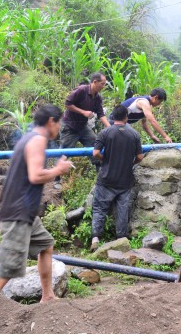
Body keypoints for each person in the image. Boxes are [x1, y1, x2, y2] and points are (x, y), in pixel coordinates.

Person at [0, 105, 73, 334]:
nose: (59, 127)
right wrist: (58, 170)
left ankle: (48, 296)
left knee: (46, 245)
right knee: (5, 272)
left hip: (25, 214)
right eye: (59, 122)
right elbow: (35, 175)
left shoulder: (30, 138)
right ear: (51, 121)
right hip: (18, 215)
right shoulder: (37, 140)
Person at [91, 105, 144, 251]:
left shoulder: (105, 132)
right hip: (125, 180)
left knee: (99, 208)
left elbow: (95, 153)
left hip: (106, 179)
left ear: (113, 117)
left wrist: (105, 159)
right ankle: (121, 240)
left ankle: (95, 239)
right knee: (122, 210)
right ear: (126, 117)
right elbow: (140, 157)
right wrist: (130, 163)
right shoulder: (134, 134)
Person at [59, 72, 111, 153]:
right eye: (102, 84)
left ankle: (98, 161)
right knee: (64, 154)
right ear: (95, 82)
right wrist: (83, 112)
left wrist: (110, 128)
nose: (103, 86)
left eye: (104, 84)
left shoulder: (98, 98)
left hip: (83, 127)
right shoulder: (81, 90)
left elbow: (101, 114)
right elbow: (68, 104)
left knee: (96, 148)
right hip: (69, 126)